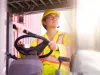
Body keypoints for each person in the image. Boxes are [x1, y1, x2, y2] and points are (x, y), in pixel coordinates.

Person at [19, 9, 72, 75]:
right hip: (41, 71)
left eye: (56, 17)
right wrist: (22, 50)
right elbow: (29, 57)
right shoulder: (37, 40)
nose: (54, 18)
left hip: (60, 71)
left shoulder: (65, 36)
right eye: (51, 17)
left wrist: (57, 47)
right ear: (44, 22)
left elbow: (71, 50)